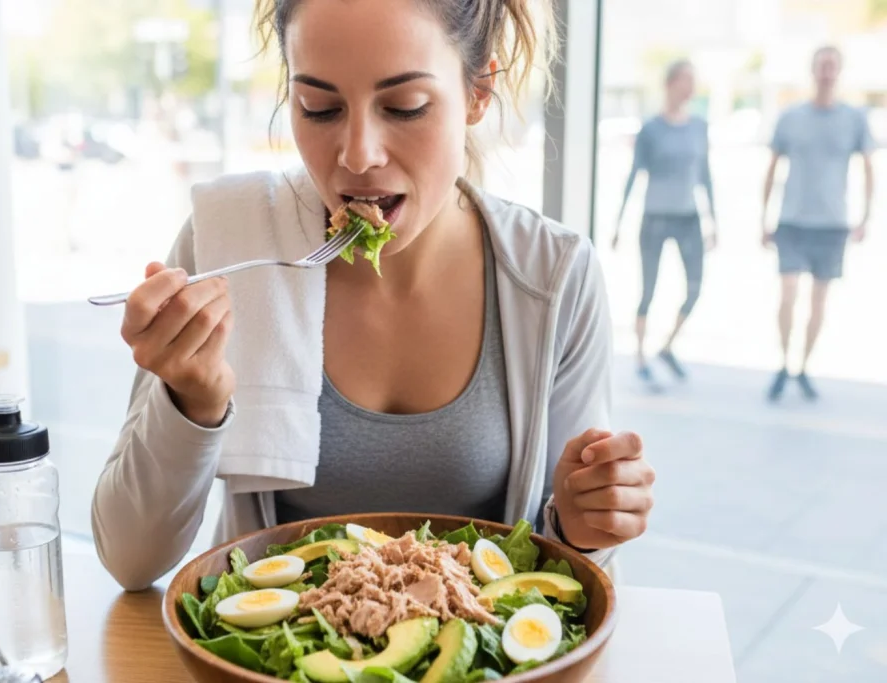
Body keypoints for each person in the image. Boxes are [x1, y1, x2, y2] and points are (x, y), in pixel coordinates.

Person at [91, 0, 656, 592]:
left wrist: (583, 519)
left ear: (478, 93)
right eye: (320, 107)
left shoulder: (552, 277)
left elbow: (568, 576)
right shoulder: (228, 244)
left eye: (404, 107)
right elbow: (131, 559)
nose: (357, 155)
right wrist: (192, 402)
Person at [761, 46, 875, 401]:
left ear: (839, 71)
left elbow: (868, 169)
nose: (826, 71)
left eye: (832, 66)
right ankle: (782, 362)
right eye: (821, 65)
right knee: (789, 292)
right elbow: (772, 167)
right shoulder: (791, 116)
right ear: (812, 70)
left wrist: (865, 217)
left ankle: (803, 367)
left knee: (819, 302)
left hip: (833, 224)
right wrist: (763, 218)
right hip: (793, 221)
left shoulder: (854, 119)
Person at [613, 59, 716, 389]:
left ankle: (668, 347)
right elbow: (633, 176)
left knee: (695, 288)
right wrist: (618, 223)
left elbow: (705, 176)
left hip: (689, 218)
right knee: (649, 290)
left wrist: (714, 219)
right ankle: (642, 357)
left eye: (693, 80)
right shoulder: (652, 129)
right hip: (655, 216)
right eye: (686, 80)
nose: (691, 87)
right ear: (670, 84)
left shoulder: (700, 126)